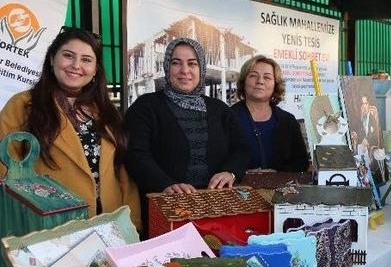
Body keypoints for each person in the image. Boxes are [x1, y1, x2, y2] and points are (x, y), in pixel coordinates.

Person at [0, 27, 140, 225]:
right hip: (51, 224)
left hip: (108, 224)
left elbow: (122, 172)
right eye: (68, 56)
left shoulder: (106, 111)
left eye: (86, 60)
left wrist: (132, 223)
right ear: (52, 59)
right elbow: (4, 166)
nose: (76, 65)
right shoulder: (24, 105)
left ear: (95, 69)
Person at [125, 37, 249, 219]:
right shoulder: (146, 106)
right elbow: (136, 153)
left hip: (216, 207)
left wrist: (230, 172)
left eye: (192, 63)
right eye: (176, 63)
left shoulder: (219, 109)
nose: (185, 70)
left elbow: (241, 147)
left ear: (201, 68)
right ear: (167, 67)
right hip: (165, 208)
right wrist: (165, 184)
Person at [230, 55, 309, 172]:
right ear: (243, 81)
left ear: (275, 85)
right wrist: (240, 173)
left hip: (281, 183)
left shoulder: (288, 120)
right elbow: (217, 160)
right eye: (253, 76)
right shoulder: (227, 117)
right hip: (238, 183)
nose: (260, 81)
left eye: (267, 77)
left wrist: (276, 174)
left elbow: (301, 163)